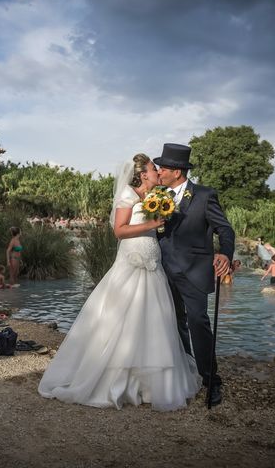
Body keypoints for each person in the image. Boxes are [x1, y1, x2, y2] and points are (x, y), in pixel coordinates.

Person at [39, 153, 199, 411]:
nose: (158, 171)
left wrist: (159, 222)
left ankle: (148, 383)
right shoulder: (128, 195)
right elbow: (119, 230)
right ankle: (114, 377)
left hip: (152, 262)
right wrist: (153, 223)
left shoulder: (155, 197)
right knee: (122, 316)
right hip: (131, 260)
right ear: (143, 174)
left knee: (153, 319)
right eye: (153, 168)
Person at [155, 143, 235, 407]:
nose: (160, 171)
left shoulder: (204, 195)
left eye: (164, 168)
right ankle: (186, 371)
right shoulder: (156, 194)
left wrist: (224, 253)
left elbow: (225, 229)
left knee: (198, 322)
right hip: (163, 269)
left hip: (195, 271)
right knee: (175, 322)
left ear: (178, 172)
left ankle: (211, 379)